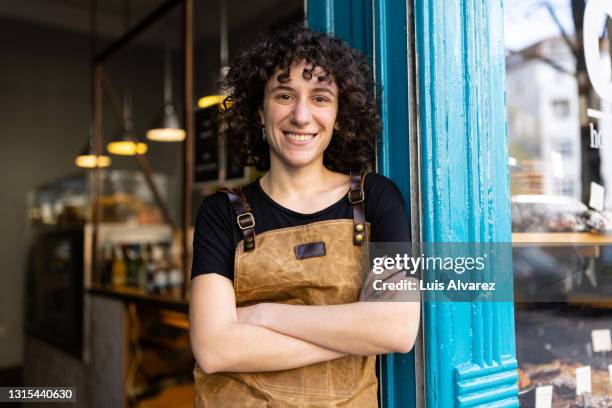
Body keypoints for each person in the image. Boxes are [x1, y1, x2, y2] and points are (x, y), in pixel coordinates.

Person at [189, 25, 420, 407]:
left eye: (320, 98)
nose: (301, 115)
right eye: (284, 95)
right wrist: (355, 333)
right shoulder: (220, 213)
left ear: (340, 115)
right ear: (259, 112)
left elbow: (396, 328)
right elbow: (214, 350)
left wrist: (261, 314)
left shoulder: (378, 198)